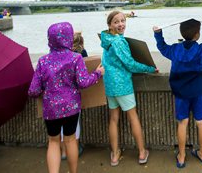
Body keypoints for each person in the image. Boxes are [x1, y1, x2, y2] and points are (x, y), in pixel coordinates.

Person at [28, 22, 104, 173]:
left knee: (53, 142)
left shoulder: (43, 61)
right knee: (70, 140)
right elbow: (83, 82)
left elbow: (33, 90)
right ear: (68, 38)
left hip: (50, 109)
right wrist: (98, 74)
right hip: (71, 108)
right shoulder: (76, 58)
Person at [153, 19, 202, 168]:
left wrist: (158, 34)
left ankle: (181, 156)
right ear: (197, 34)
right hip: (198, 92)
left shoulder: (175, 50)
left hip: (180, 93)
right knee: (200, 122)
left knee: (182, 123)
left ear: (181, 33)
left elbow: (162, 47)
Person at [101, 11, 157, 166]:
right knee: (133, 118)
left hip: (110, 85)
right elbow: (130, 64)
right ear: (110, 25)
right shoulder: (120, 42)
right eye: (116, 22)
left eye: (123, 21)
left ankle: (115, 155)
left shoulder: (106, 39)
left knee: (113, 119)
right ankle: (141, 152)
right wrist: (150, 68)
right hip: (123, 86)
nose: (121, 24)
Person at [59, 32, 89, 160]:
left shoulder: (58, 55)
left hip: (56, 98)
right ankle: (74, 150)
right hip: (72, 96)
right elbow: (83, 76)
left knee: (60, 126)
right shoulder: (80, 55)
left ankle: (63, 152)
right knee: (74, 125)